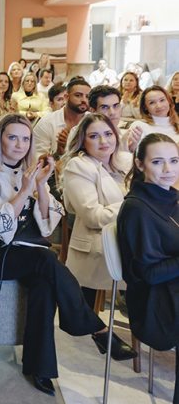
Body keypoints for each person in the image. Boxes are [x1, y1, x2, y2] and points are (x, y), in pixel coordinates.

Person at [0, 114, 118, 396]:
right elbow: (0, 228)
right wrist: (25, 189)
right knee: (46, 259)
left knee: (45, 286)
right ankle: (93, 326)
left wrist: (40, 186)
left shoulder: (31, 172)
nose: (19, 145)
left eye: (25, 139)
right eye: (12, 137)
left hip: (24, 249)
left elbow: (49, 223)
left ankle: (40, 368)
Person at [60, 114, 137, 354]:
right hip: (100, 247)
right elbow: (93, 215)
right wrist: (133, 205)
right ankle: (154, 324)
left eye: (108, 134)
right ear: (83, 141)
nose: (103, 141)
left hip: (134, 240)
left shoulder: (125, 161)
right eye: (94, 136)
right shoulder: (79, 165)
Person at [117, 133, 179, 403]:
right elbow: (148, 274)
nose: (168, 170)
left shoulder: (169, 198)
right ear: (140, 164)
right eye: (158, 162)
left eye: (174, 160)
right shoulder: (138, 209)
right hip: (155, 302)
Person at [33, 77, 89, 160]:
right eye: (78, 95)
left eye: (87, 96)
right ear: (66, 97)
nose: (84, 100)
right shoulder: (47, 122)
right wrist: (58, 153)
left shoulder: (95, 122)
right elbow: (36, 160)